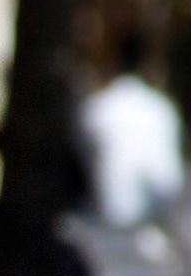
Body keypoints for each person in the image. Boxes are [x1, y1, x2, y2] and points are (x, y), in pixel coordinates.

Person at [79, 30, 185, 229]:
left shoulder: (99, 106)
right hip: (157, 219)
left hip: (108, 218)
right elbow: (172, 177)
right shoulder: (162, 108)